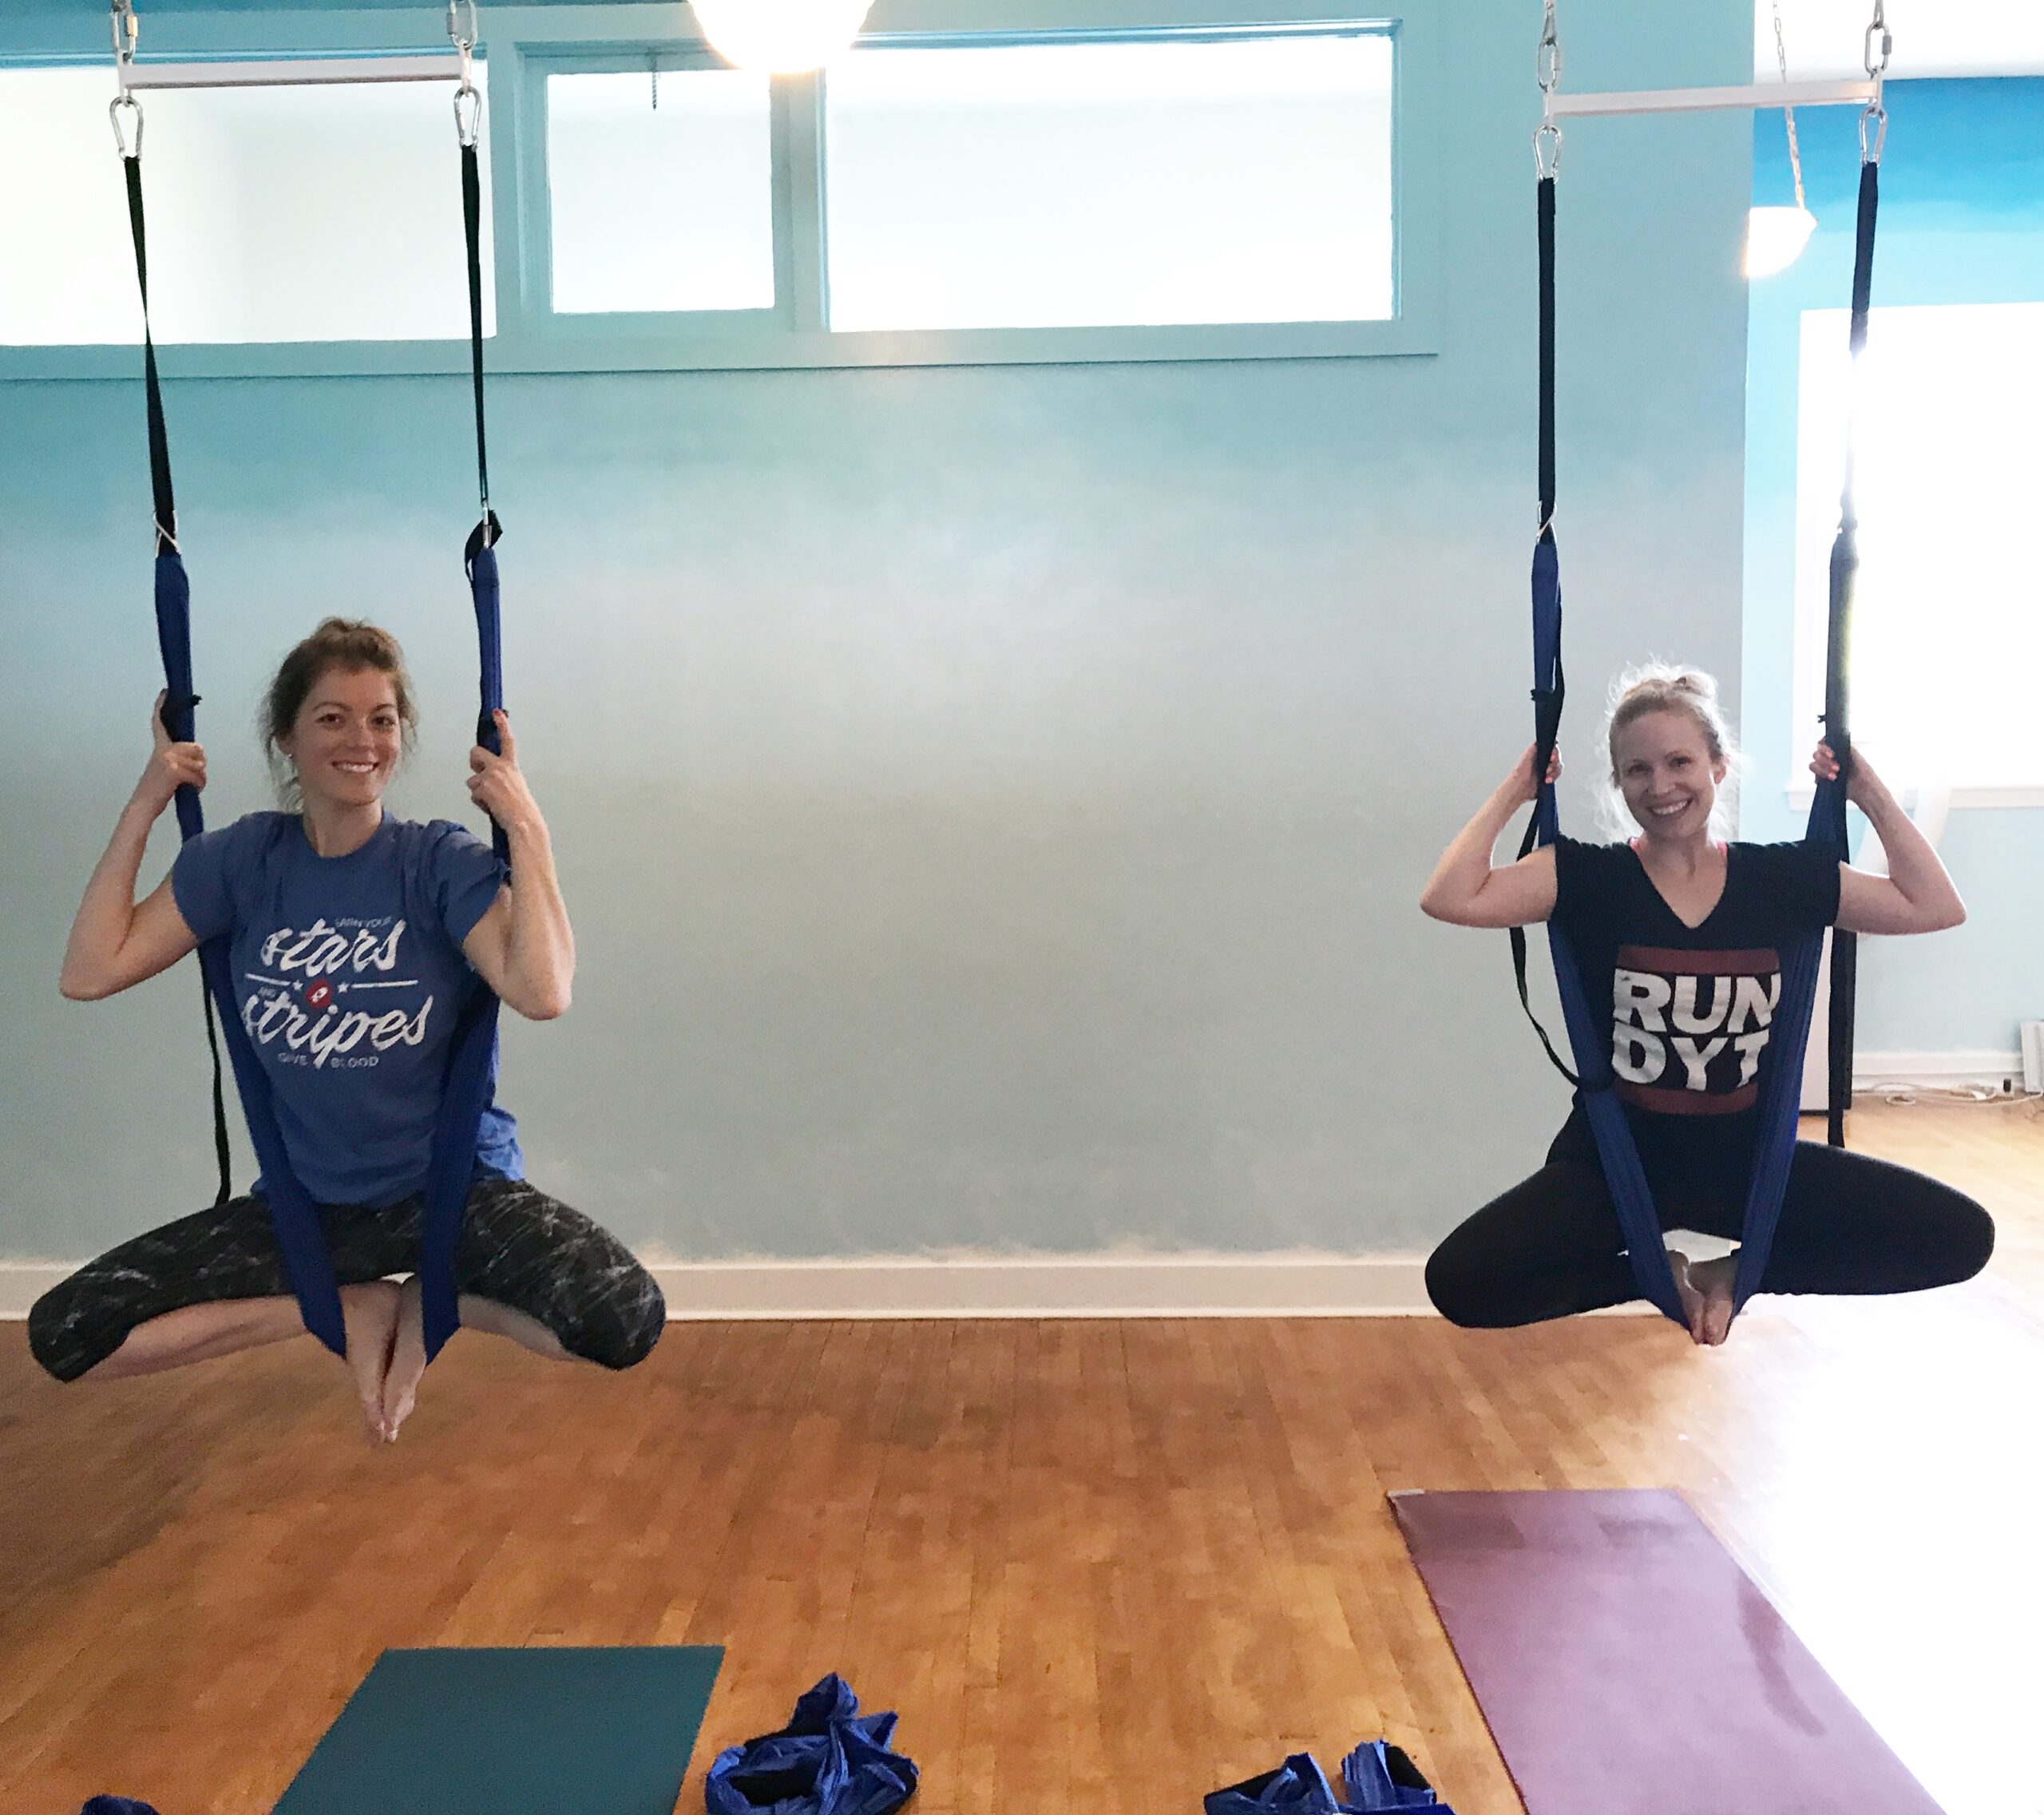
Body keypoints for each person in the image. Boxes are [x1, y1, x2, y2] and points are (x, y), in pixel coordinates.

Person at [32, 619, 664, 1437]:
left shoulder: (435, 863)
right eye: (332, 717)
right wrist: (148, 799)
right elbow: (89, 970)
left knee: (620, 1317)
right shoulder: (243, 861)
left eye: (381, 718)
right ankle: (348, 1305)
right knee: (70, 1331)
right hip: (312, 1209)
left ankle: (446, 1300)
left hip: (452, 1194)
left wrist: (529, 831)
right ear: (287, 737)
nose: (361, 739)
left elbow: (542, 991)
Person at [1419, 665, 1994, 1344]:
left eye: (1679, 761)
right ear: (1619, 783)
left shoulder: (1782, 880)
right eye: (1636, 770)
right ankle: (1648, 1270)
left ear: (1718, 765)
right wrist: (1518, 789)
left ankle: (1733, 1271)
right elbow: (1451, 895)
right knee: (1459, 1281)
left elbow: (1934, 905)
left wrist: (1867, 792)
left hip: (1745, 1166)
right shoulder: (1588, 878)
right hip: (1617, 1164)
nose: (1660, 786)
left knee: (1961, 1237)